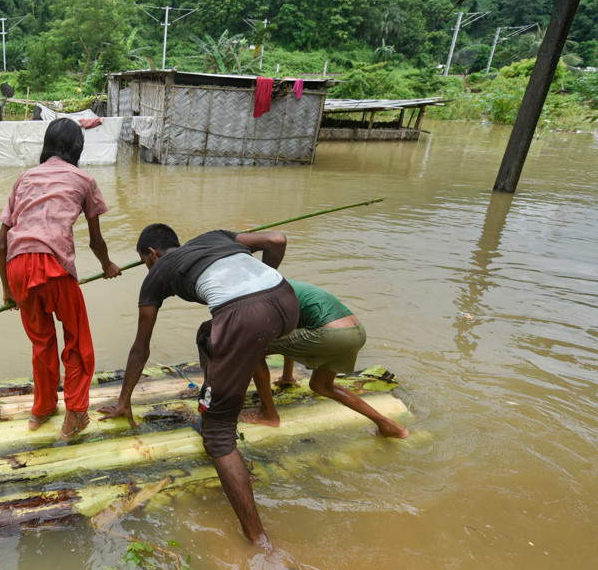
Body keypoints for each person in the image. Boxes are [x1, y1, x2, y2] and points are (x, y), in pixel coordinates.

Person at [100, 223, 296, 547]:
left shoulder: (157, 272)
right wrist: (259, 285)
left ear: (151, 254)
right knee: (208, 334)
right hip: (286, 299)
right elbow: (277, 239)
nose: (150, 267)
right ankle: (224, 392)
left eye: (148, 261)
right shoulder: (214, 236)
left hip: (244, 315)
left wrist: (124, 400)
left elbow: (141, 347)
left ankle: (259, 540)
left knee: (217, 435)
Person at [0, 118, 121, 440]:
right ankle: (75, 415)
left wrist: (8, 292)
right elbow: (96, 241)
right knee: (77, 342)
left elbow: (0, 244)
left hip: (17, 266)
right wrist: (108, 266)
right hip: (54, 266)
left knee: (42, 343)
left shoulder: (23, 179)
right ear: (76, 147)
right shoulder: (84, 179)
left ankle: (42, 410)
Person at [249, 281, 409, 439]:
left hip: (332, 334)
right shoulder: (279, 287)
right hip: (356, 331)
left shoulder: (259, 299)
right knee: (322, 386)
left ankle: (269, 414)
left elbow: (274, 335)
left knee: (253, 349)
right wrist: (287, 378)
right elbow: (288, 334)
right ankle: (386, 424)